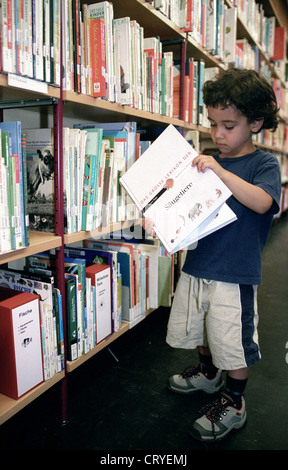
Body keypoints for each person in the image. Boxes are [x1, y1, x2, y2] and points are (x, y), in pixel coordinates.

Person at [144, 68, 282, 442]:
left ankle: (234, 402)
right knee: (203, 331)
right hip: (199, 266)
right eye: (212, 124)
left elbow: (264, 201)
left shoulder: (263, 164)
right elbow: (184, 207)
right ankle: (207, 374)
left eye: (229, 125)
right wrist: (159, 219)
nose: (217, 134)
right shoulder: (204, 160)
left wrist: (221, 173)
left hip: (235, 275)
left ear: (255, 123)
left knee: (232, 343)